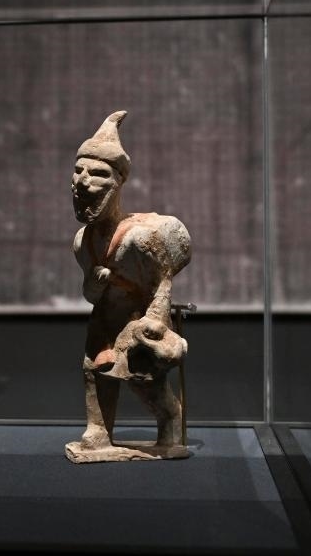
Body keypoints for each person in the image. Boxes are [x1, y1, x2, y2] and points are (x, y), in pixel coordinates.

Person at [66, 110, 192, 463]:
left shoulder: (138, 238)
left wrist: (155, 322)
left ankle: (170, 427)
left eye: (98, 174)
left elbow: (162, 281)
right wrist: (93, 285)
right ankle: (98, 431)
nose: (83, 182)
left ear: (118, 182)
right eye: (78, 171)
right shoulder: (82, 242)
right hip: (103, 321)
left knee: (144, 380)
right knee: (95, 372)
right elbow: (90, 295)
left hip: (137, 320)